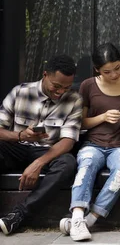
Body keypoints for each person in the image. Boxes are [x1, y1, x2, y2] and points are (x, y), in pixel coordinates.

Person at [59, 43, 120, 241]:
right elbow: (80, 123)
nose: (114, 74)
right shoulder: (87, 85)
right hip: (94, 144)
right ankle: (78, 216)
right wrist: (103, 117)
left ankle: (89, 221)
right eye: (107, 71)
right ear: (97, 69)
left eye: (117, 68)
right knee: (86, 167)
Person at [0, 55, 82, 235]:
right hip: (16, 147)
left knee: (68, 163)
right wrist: (20, 135)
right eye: (56, 86)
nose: (60, 92)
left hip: (47, 151)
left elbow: (68, 141)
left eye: (66, 87)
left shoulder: (74, 99)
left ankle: (18, 215)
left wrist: (39, 163)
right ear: (45, 75)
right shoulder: (20, 92)